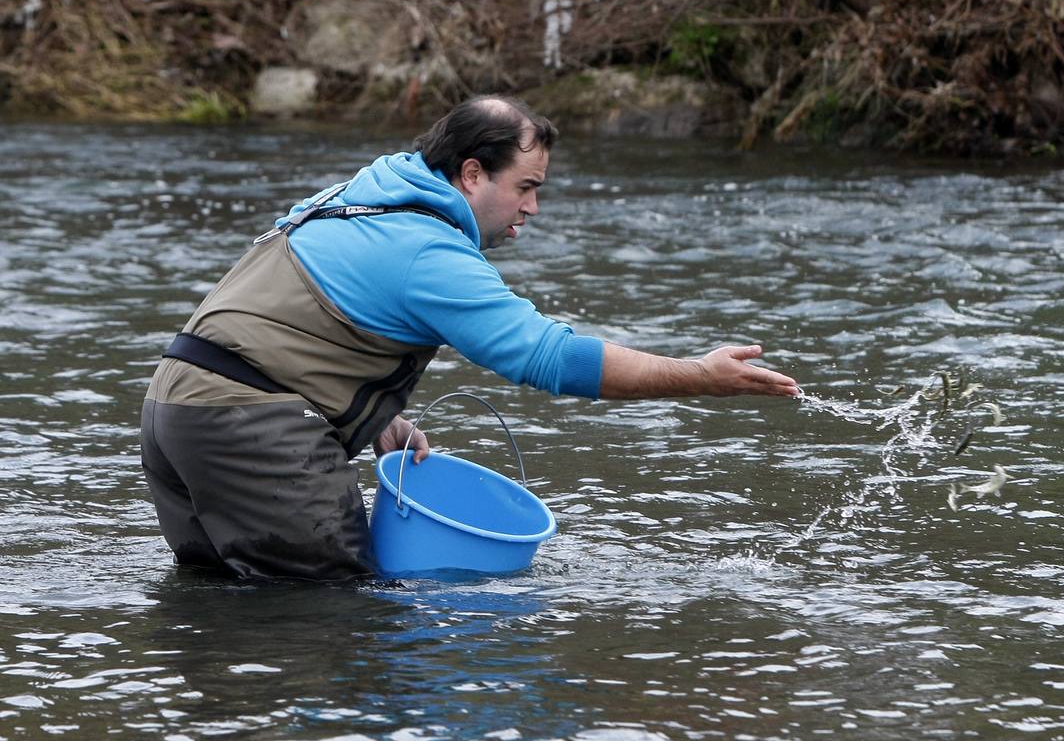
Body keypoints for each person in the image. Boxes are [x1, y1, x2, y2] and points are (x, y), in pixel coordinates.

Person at [140, 95, 798, 581]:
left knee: (223, 607)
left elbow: (294, 318)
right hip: (251, 430)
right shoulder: (431, 252)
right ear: (474, 174)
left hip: (173, 412)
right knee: (336, 616)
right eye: (527, 188)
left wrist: (375, 415)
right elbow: (548, 356)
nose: (533, 209)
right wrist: (701, 377)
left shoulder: (360, 194)